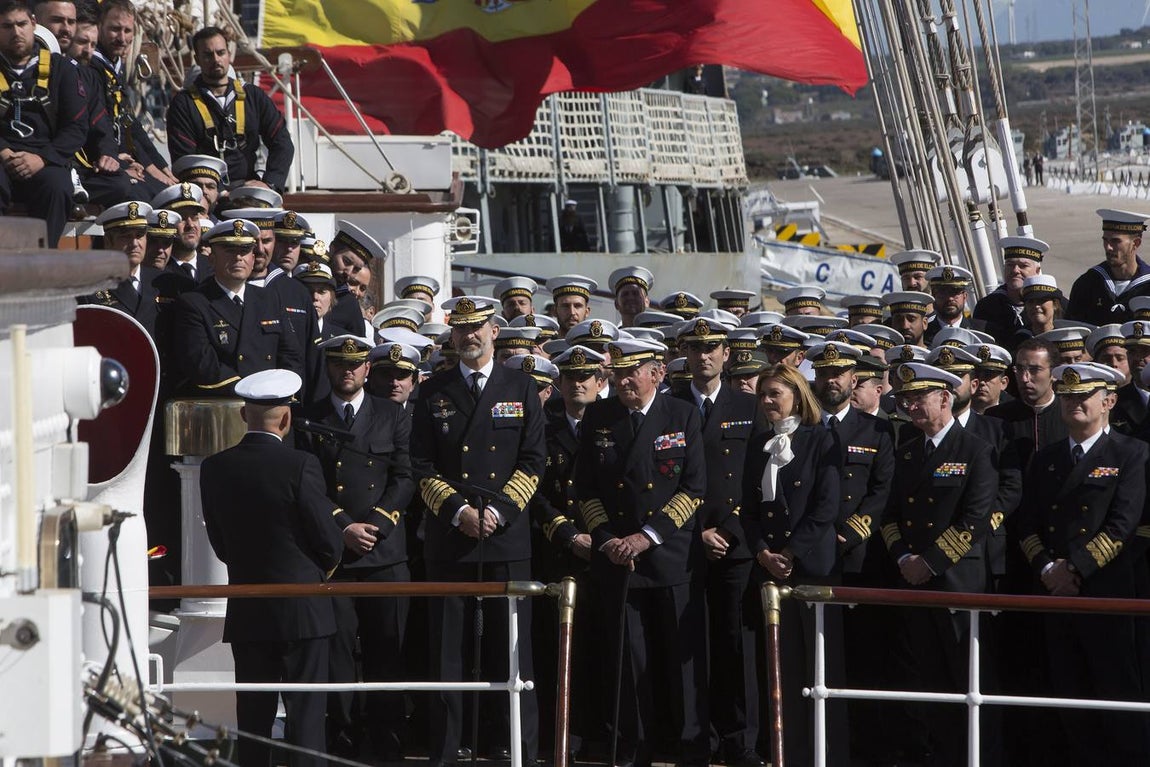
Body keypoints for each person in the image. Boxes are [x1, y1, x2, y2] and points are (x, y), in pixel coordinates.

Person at [410, 295, 544, 767]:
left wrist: (499, 513)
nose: (469, 336)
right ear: (451, 335)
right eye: (461, 329)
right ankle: (446, 751)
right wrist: (457, 510)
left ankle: (519, 748)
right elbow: (420, 464)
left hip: (506, 535)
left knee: (514, 654)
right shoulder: (433, 390)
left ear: (494, 330)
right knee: (447, 652)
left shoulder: (521, 386)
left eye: (477, 328)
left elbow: (533, 460)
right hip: (452, 535)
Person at [575, 336, 709, 767]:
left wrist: (647, 536)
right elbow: (586, 489)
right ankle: (634, 749)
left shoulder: (682, 414)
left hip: (668, 556)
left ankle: (689, 748)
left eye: (634, 372)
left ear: (658, 373)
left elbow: (693, 490)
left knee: (680, 665)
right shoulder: (599, 415)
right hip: (618, 558)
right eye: (619, 372)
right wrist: (608, 538)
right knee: (629, 662)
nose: (625, 380)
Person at [200, 369, 342, 767]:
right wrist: (321, 569)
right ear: (286, 418)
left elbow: (221, 546)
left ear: (244, 416)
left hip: (249, 607)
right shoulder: (301, 464)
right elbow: (328, 541)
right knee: (306, 720)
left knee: (253, 717)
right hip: (303, 609)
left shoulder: (215, 467)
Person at [1015, 363, 1150, 765]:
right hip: (1056, 594)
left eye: (1084, 396)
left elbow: (1123, 524)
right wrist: (1046, 569)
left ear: (1108, 401)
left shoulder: (1132, 453)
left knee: (1116, 695)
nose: (1074, 403)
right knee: (1068, 692)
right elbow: (1027, 524)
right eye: (1069, 396)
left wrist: (1073, 569)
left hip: (1105, 592)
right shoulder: (1047, 458)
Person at [301, 335, 414, 761]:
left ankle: (387, 746)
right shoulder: (310, 417)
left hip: (385, 554)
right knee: (339, 658)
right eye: (339, 364)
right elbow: (308, 486)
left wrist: (378, 524)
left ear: (368, 368)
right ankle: (343, 744)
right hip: (336, 557)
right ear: (328, 367)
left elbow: (404, 477)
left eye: (355, 364)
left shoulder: (392, 413)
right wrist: (344, 527)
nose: (347, 371)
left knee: (388, 654)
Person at [881, 362, 996, 767]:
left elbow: (975, 520)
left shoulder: (975, 450)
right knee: (927, 676)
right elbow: (890, 516)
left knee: (965, 677)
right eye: (905, 399)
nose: (911, 406)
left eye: (919, 398)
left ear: (945, 398)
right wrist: (902, 557)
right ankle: (939, 752)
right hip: (914, 578)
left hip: (957, 579)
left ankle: (972, 755)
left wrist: (929, 563)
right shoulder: (907, 452)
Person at [673, 318, 767, 767]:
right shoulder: (670, 406)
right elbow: (661, 483)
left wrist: (728, 530)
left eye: (711, 348)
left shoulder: (749, 408)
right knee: (691, 643)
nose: (703, 356)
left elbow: (757, 481)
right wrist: (697, 531)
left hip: (736, 543)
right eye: (694, 349)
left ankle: (740, 738)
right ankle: (698, 735)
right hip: (685, 541)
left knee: (737, 643)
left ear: (727, 354)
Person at [741, 362, 844, 767]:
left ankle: (827, 755)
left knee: (820, 668)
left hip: (812, 566)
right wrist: (763, 551)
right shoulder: (758, 444)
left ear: (797, 396)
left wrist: (791, 552)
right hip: (770, 569)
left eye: (774, 394)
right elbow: (748, 509)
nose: (766, 401)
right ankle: (789, 755)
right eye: (763, 394)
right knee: (783, 667)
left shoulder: (821, 440)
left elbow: (826, 506)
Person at [529, 344, 604, 761]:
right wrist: (567, 534)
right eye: (571, 377)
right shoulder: (543, 426)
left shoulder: (613, 423)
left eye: (586, 376)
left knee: (598, 647)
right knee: (554, 651)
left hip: (602, 552)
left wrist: (601, 536)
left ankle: (595, 734)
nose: (578, 383)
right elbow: (536, 493)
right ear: (558, 383)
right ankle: (558, 739)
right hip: (557, 551)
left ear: (600, 381)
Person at [172, 218, 303, 396]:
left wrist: (279, 391)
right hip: (224, 405)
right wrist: (250, 390)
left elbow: (290, 355)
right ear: (212, 259)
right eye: (230, 250)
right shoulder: (194, 303)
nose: (239, 257)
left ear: (253, 257)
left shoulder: (268, 299)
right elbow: (203, 364)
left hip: (268, 402)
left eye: (244, 250)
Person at [167, 26, 294, 192]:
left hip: (247, 188)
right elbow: (184, 159)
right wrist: (210, 192)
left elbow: (282, 141)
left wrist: (270, 183)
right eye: (207, 55)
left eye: (220, 53)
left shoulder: (253, 97)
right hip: (205, 193)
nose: (216, 60)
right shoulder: (183, 104)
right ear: (197, 59)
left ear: (229, 55)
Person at [0, 0, 86, 245]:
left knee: (58, 188)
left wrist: (43, 158)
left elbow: (76, 127)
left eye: (21, 24)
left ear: (34, 24)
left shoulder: (63, 70)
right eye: (7, 26)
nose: (16, 32)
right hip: (2, 157)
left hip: (44, 159)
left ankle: (41, 260)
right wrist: (4, 152)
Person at [34, 0, 135, 208]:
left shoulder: (85, 76)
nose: (65, 28)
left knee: (120, 185)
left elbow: (101, 123)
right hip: (42, 161)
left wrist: (108, 154)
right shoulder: (27, 65)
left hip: (76, 167)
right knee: (56, 186)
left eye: (70, 22)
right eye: (57, 20)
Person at [89, 0, 176, 196]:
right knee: (161, 198)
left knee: (173, 192)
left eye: (127, 31)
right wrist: (139, 165)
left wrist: (160, 167)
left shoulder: (114, 65)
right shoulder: (92, 68)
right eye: (115, 29)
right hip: (104, 159)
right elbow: (99, 125)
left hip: (125, 156)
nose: (122, 38)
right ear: (99, 26)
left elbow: (130, 123)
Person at [1067, 209, 1150, 326]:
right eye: (1105, 240)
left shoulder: (1147, 286)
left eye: (1116, 241)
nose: (1108, 247)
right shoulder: (1088, 284)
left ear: (1135, 243)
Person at [152, 182, 212, 282]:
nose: (191, 225)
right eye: (182, 218)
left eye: (194, 217)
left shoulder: (215, 267)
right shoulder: (156, 269)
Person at [924, 265, 981, 345]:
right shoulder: (923, 335)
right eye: (942, 292)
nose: (949, 298)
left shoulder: (982, 331)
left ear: (965, 296)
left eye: (955, 292)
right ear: (934, 296)